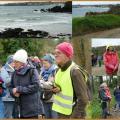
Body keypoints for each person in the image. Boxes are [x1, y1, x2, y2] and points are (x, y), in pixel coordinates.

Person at [52, 42, 88, 118]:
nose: (55, 55)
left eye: (59, 53)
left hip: (73, 115)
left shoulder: (75, 72)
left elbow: (83, 100)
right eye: (55, 53)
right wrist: (57, 88)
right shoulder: (58, 70)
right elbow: (65, 87)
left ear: (67, 55)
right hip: (61, 113)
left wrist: (73, 117)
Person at [9, 49, 44, 119]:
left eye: (16, 62)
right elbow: (11, 87)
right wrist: (13, 92)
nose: (14, 64)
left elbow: (36, 86)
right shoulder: (14, 73)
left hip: (31, 110)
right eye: (14, 61)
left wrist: (19, 89)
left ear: (22, 62)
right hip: (18, 110)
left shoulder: (32, 71)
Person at [39, 54, 58, 118]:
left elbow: (51, 85)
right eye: (43, 63)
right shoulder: (42, 71)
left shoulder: (55, 71)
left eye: (45, 63)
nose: (44, 65)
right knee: (47, 117)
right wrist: (41, 83)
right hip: (45, 98)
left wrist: (41, 83)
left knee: (54, 117)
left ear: (50, 63)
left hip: (53, 99)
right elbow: (39, 80)